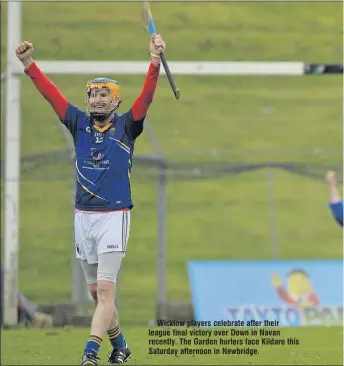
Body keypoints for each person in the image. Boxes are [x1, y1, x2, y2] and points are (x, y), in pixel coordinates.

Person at [16, 34, 166, 365]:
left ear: (115, 101)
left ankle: (90, 353)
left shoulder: (128, 126)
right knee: (97, 295)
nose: (98, 100)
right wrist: (29, 65)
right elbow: (51, 95)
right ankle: (121, 347)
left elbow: (147, 97)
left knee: (107, 293)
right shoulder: (78, 124)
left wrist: (154, 62)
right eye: (93, 94)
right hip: (83, 217)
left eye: (104, 95)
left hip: (114, 216)